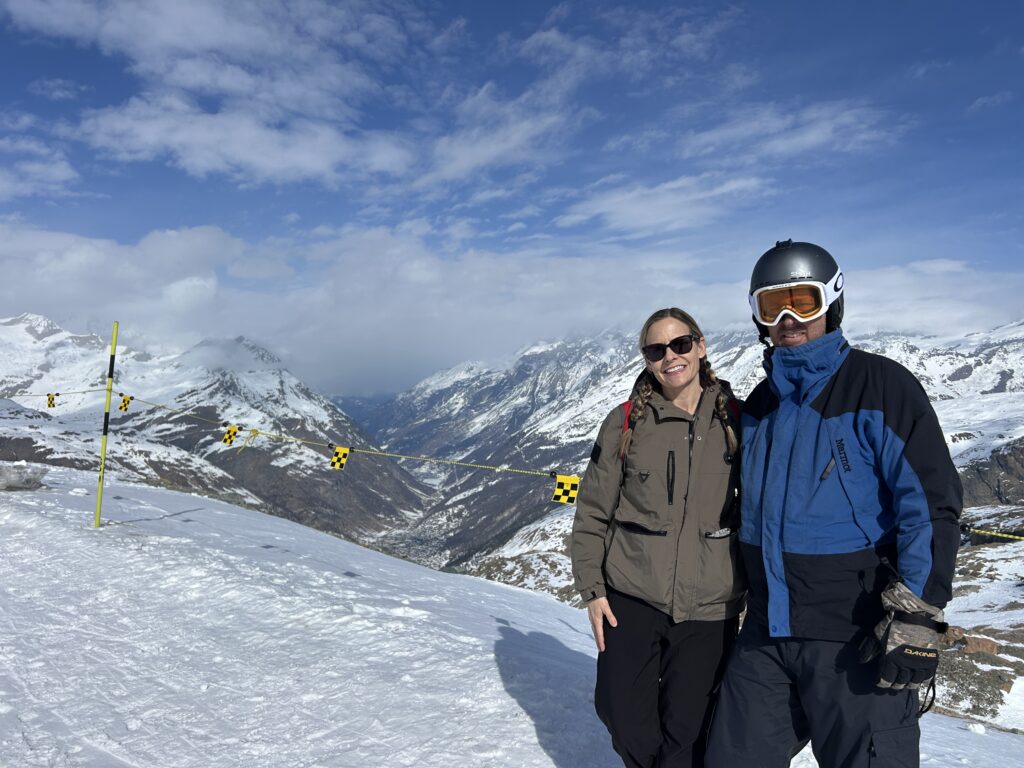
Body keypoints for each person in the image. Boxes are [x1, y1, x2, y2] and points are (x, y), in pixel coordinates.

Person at [705, 241, 962, 768]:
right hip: (767, 632)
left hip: (855, 634)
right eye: (771, 305)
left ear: (833, 303)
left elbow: (932, 506)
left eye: (803, 300)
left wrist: (918, 614)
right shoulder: (760, 405)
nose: (787, 318)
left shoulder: (880, 387)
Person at [570, 307, 745, 768]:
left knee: (688, 726)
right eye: (656, 349)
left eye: (680, 344)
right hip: (632, 595)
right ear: (646, 359)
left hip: (710, 606)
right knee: (620, 712)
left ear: (701, 346)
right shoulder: (626, 422)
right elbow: (592, 511)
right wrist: (592, 589)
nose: (670, 356)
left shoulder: (738, 422)